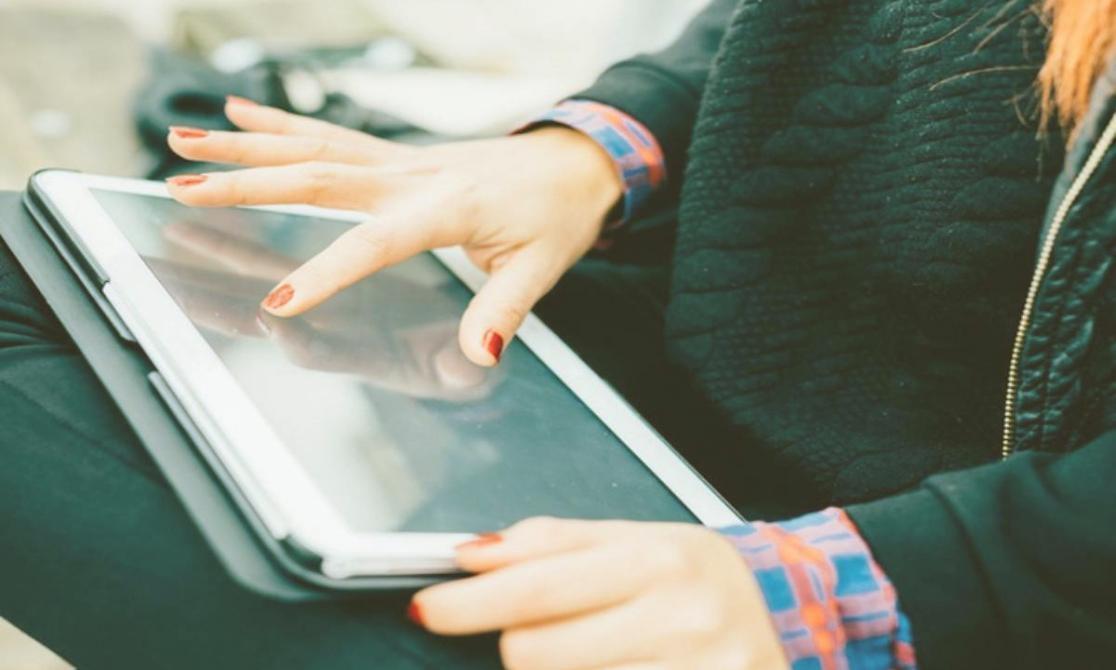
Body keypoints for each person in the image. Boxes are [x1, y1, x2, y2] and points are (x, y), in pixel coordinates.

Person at [2, 0, 1114, 667]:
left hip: (975, 561)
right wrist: (584, 155)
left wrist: (909, 581)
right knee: (52, 263)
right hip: (717, 351)